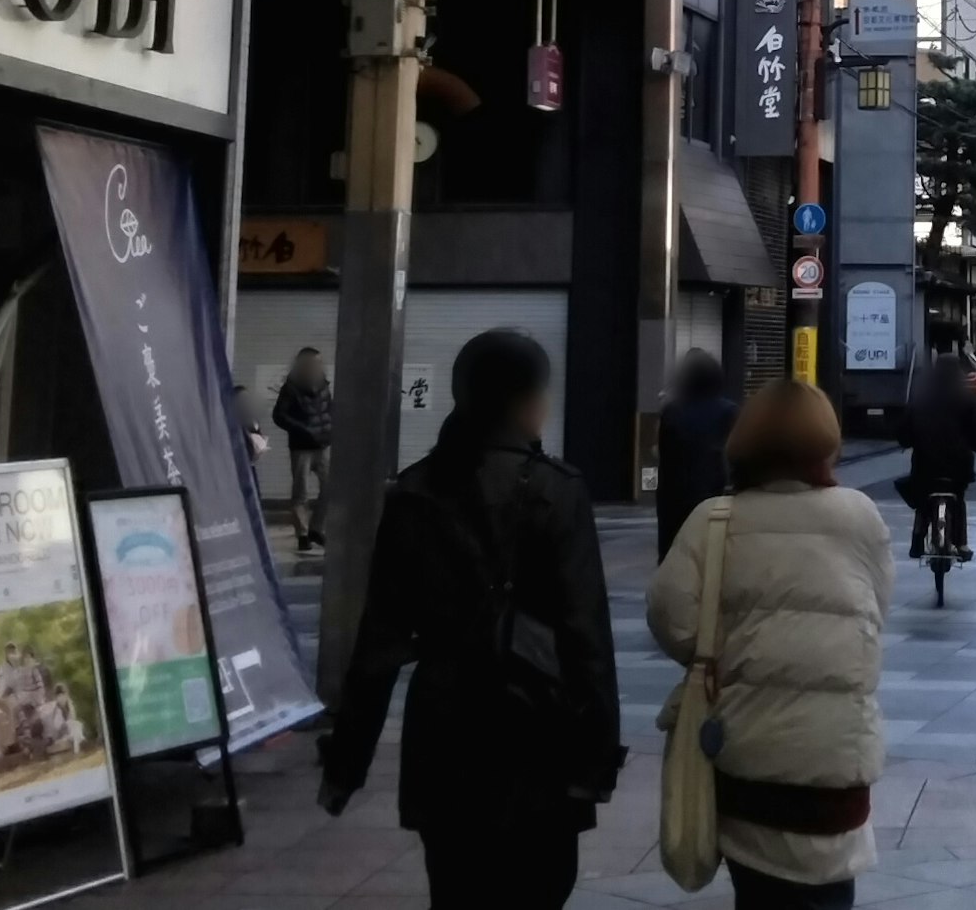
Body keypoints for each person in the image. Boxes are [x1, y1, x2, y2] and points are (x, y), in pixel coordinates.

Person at [319, 330, 622, 906]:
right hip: (538, 738)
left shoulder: (414, 493)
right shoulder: (559, 492)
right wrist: (596, 760)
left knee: (456, 892)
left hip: (444, 733)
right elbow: (587, 639)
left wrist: (346, 764)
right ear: (529, 401)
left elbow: (379, 642)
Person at [648, 380, 891, 908]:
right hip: (836, 764)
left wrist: (723, 651)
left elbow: (670, 618)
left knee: (758, 893)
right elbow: (875, 611)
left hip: (746, 760)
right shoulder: (859, 517)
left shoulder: (713, 521)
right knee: (829, 892)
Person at [897, 322, 976, 560]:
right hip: (958, 464)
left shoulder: (921, 396)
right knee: (959, 497)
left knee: (923, 495)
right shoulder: (967, 398)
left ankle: (917, 538)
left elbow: (904, 428)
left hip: (926, 461)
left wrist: (906, 441)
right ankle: (962, 543)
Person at [655, 349, 739, 552]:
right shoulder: (728, 411)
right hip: (714, 493)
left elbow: (662, 452)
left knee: (675, 550)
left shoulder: (671, 411)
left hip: (674, 496)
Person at [269, 347, 334, 551]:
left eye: (320, 362)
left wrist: (332, 428)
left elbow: (330, 409)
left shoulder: (324, 385)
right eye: (314, 363)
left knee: (330, 488)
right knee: (301, 493)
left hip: (323, 444)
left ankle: (317, 528)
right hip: (301, 447)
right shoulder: (291, 388)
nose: (318, 366)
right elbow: (279, 416)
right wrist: (303, 430)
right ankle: (303, 533)